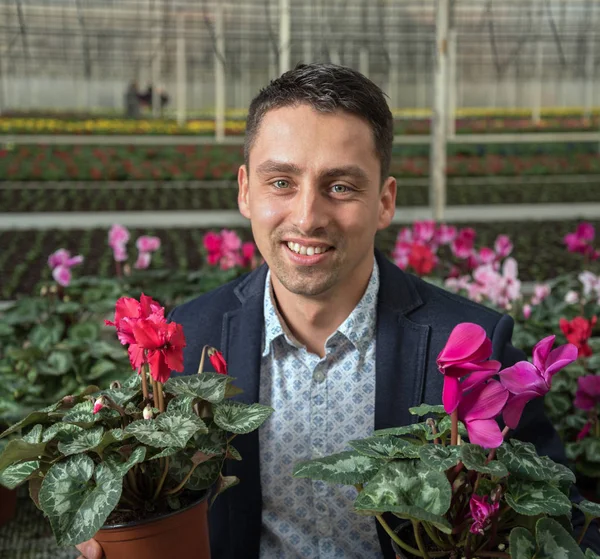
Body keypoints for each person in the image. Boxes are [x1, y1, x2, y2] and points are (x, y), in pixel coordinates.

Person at [77, 63, 600, 559]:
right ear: (244, 190)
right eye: (281, 182)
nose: (307, 216)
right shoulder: (190, 338)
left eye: (341, 187)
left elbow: (562, 518)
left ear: (385, 202)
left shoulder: (468, 344)